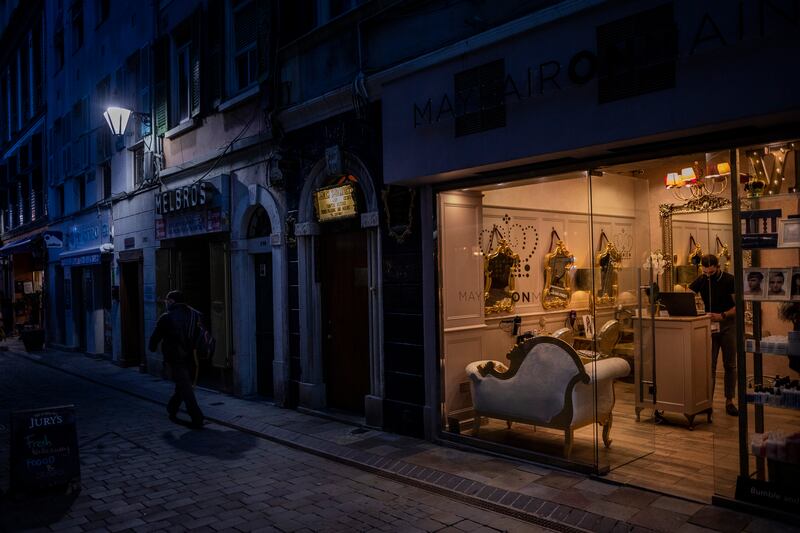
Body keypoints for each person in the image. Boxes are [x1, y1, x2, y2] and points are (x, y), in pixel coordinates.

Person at [690, 254, 738, 416]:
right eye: (705, 273)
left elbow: (739, 307)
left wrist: (722, 315)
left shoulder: (729, 280)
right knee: (709, 365)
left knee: (729, 365)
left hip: (727, 324)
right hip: (709, 326)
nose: (708, 275)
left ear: (718, 267)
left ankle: (729, 401)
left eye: (711, 272)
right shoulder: (703, 279)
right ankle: (707, 402)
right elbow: (686, 295)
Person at [148, 290, 204, 429]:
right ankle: (172, 407)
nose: (166, 304)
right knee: (183, 384)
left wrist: (152, 347)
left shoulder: (166, 317)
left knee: (185, 388)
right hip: (193, 357)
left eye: (167, 301)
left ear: (172, 301)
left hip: (176, 358)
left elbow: (155, 338)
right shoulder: (195, 315)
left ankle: (197, 417)